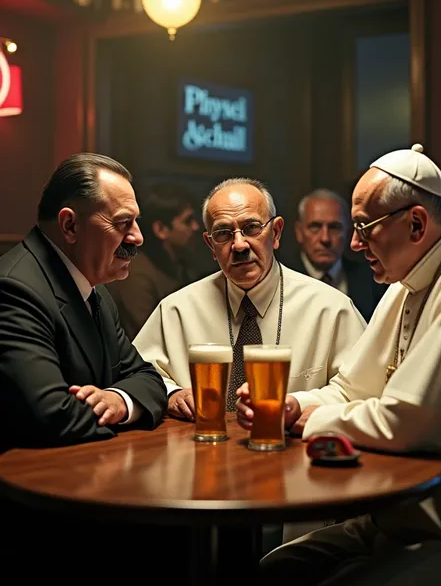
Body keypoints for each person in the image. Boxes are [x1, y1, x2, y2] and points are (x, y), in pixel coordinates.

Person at [237, 144, 441, 586]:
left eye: (364, 227)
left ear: (415, 225)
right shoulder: (404, 285)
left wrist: (305, 420)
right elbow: (351, 388)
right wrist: (292, 405)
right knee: (263, 578)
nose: (355, 243)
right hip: (392, 522)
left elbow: (407, 423)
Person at [134, 177, 366, 422]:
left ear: (275, 233)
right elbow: (138, 373)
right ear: (210, 245)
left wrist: (298, 403)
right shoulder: (175, 310)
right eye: (223, 234)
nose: (239, 245)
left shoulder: (330, 308)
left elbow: (358, 389)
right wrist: (172, 393)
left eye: (252, 228)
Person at [0, 152, 168, 452]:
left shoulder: (94, 288)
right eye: (123, 223)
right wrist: (122, 404)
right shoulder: (14, 290)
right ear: (70, 226)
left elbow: (148, 379)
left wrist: (120, 400)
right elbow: (52, 417)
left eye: (136, 222)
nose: (138, 237)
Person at [107, 182, 201, 339]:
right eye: (187, 221)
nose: (196, 227)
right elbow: (149, 337)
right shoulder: (136, 274)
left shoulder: (181, 268)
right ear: (161, 229)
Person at [283, 188, 385, 321]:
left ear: (348, 232)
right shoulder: (282, 281)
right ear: (299, 232)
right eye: (315, 227)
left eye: (334, 227)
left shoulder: (372, 280)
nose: (325, 238)